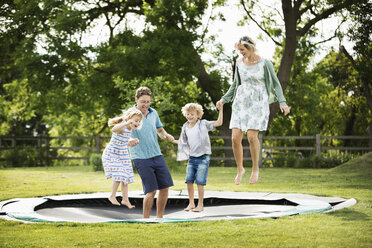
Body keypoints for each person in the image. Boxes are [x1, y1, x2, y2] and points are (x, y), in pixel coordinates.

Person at [216, 35, 290, 185]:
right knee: (235, 138)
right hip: (241, 101)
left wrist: (282, 102)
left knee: (251, 136)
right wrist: (224, 98)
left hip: (258, 102)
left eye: (242, 50)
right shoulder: (239, 63)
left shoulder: (264, 63)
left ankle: (255, 168)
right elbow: (236, 84)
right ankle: (240, 169)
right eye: (239, 50)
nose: (240, 53)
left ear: (250, 48)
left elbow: (276, 84)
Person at [128, 86, 175, 218]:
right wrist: (130, 139)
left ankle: (160, 218)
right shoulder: (130, 114)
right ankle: (146, 220)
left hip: (156, 155)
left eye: (148, 101)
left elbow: (160, 130)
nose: (146, 104)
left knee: (165, 187)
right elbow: (124, 133)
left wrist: (166, 135)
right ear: (136, 99)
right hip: (140, 157)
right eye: (143, 101)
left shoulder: (154, 113)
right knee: (151, 190)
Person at [173, 103, 223, 212]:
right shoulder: (185, 127)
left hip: (203, 157)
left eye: (192, 114)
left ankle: (200, 205)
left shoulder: (203, 124)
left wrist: (221, 110)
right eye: (188, 114)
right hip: (192, 158)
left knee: (200, 181)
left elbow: (219, 122)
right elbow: (183, 142)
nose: (189, 116)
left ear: (198, 115)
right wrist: (173, 141)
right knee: (189, 181)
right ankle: (191, 203)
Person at [102, 107, 143, 208]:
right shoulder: (123, 126)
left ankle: (125, 200)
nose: (137, 123)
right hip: (113, 153)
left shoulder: (129, 130)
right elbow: (114, 129)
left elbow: (124, 141)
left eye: (139, 121)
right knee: (119, 172)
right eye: (136, 120)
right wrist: (126, 122)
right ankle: (112, 195)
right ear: (129, 118)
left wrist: (132, 142)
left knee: (126, 176)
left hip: (123, 153)